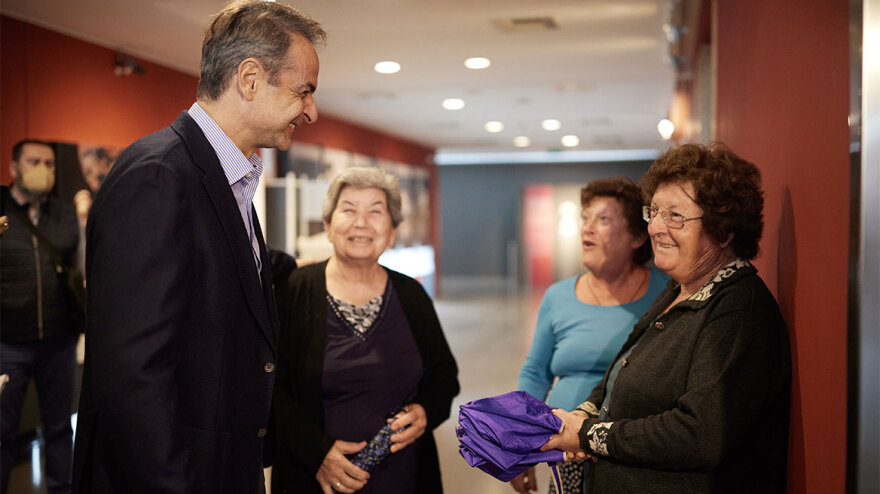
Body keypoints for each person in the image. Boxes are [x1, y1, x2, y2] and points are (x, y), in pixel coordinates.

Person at [70, 2, 325, 493]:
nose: (311, 109)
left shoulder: (225, 175)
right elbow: (134, 379)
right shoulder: (158, 176)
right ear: (250, 79)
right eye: (304, 90)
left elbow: (222, 273)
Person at [542, 143, 792, 493]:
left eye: (675, 216)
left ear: (725, 229)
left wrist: (588, 435)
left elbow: (700, 433)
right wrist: (585, 412)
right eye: (655, 211)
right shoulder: (679, 290)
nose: (656, 228)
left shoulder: (738, 308)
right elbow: (622, 371)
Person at [269, 167, 459, 494]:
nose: (361, 223)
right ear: (327, 227)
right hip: (315, 478)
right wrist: (317, 454)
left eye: (375, 211)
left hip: (406, 479)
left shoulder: (410, 295)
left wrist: (426, 410)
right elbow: (270, 389)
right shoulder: (293, 291)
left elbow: (444, 376)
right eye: (348, 209)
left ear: (392, 231)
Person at [510, 177, 668, 494]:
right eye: (586, 218)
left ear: (637, 236)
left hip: (632, 457)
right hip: (566, 454)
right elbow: (535, 373)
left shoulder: (666, 294)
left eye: (604, 219)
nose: (588, 228)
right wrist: (518, 444)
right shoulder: (558, 297)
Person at [1, 140, 80, 494]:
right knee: (2, 432)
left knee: (60, 428)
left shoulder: (63, 214)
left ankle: (62, 488)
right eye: (34, 161)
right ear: (14, 168)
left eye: (49, 163)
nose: (44, 169)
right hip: (8, 344)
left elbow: (80, 266)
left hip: (58, 342)